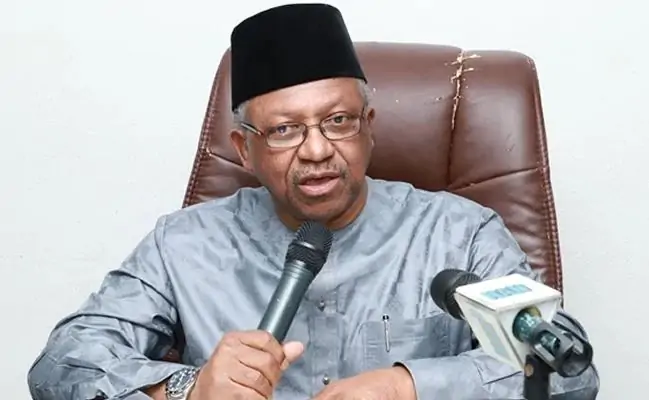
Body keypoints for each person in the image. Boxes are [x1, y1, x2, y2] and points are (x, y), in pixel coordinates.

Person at [27, 3, 599, 400]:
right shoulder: (183, 244)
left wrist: (408, 386)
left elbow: (571, 372)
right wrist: (185, 388)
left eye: (339, 121)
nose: (319, 150)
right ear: (244, 150)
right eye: (284, 131)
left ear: (369, 127)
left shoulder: (460, 234)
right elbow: (60, 366)